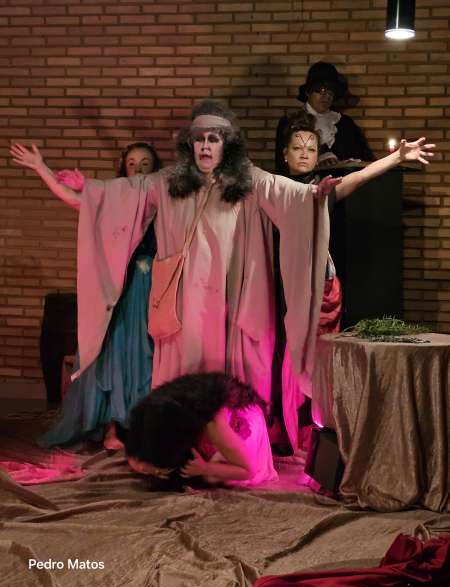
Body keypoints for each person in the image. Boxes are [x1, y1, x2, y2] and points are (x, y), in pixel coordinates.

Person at [10, 99, 351, 454]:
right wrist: (43, 171)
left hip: (232, 308)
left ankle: (231, 452)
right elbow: (94, 204)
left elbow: (305, 199)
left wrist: (349, 181)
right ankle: (178, 449)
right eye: (199, 138)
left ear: (227, 144)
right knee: (185, 377)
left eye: (214, 139)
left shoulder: (250, 180)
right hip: (184, 308)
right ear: (190, 143)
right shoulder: (166, 183)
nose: (205, 145)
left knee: (230, 381)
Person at [275, 109, 434, 450]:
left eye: (311, 149)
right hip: (282, 287)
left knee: (315, 363)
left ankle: (312, 436)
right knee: (281, 359)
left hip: (320, 289)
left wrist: (396, 158)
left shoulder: (321, 190)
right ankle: (285, 430)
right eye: (297, 148)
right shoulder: (270, 189)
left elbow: (358, 178)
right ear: (285, 154)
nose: (304, 154)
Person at [27, 142, 161, 449]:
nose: (138, 169)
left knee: (148, 355)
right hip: (121, 289)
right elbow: (73, 198)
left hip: (154, 289)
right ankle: (112, 427)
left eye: (145, 163)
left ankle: (142, 427)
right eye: (132, 163)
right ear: (123, 168)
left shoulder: (163, 200)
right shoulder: (113, 201)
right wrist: (40, 167)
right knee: (113, 351)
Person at [126, 371, 278, 489]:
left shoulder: (214, 423)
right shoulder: (147, 416)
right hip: (202, 414)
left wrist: (206, 469)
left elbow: (249, 471)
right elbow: (134, 458)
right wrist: (152, 469)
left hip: (242, 421)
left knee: (211, 476)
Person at [275, 61, 374, 174]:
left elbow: (365, 158)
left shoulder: (345, 123)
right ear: (308, 92)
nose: (326, 97)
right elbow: (283, 165)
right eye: (321, 90)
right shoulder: (290, 122)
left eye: (331, 92)